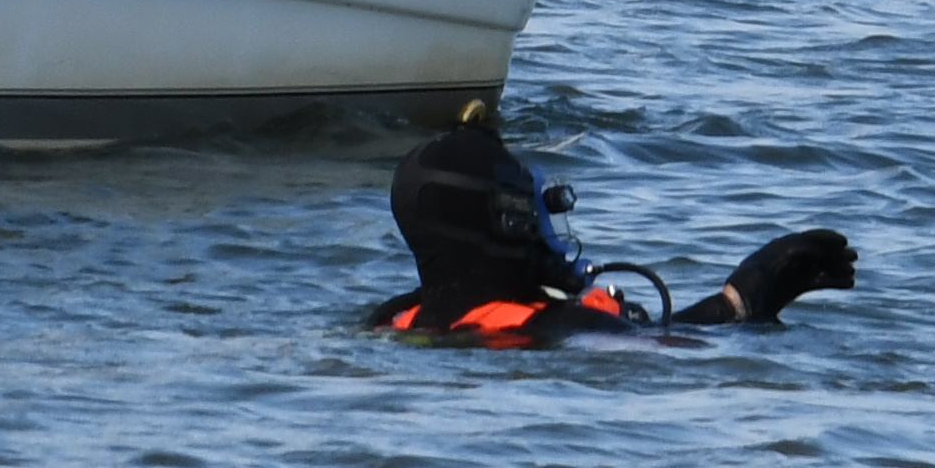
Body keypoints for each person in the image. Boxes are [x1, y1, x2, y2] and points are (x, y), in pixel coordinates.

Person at [367, 107, 857, 342]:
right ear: (503, 225)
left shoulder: (392, 319)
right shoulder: (567, 325)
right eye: (530, 212)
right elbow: (672, 355)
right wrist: (744, 305)